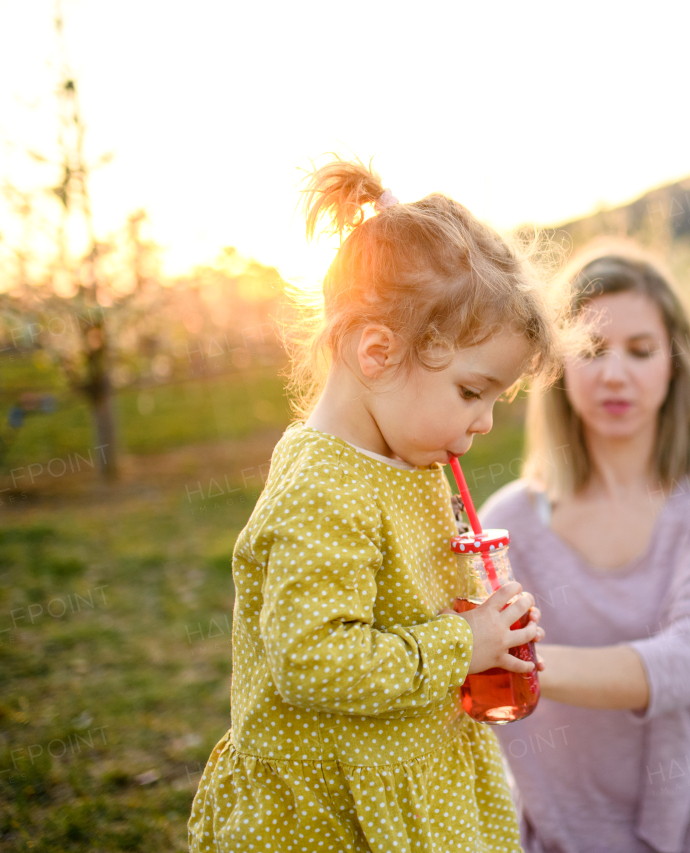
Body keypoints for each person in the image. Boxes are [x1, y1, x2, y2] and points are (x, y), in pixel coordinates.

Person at [187, 159, 560, 853]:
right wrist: (462, 643)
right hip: (334, 813)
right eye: (471, 392)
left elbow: (400, 600)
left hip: (414, 781)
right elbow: (312, 658)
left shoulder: (404, 454)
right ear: (380, 352)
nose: (482, 423)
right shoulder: (321, 489)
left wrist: (487, 622)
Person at [479, 240, 690, 853]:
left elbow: (683, 664)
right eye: (590, 350)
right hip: (560, 834)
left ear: (676, 363)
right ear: (557, 368)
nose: (614, 372)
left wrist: (508, 660)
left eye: (640, 351)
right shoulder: (509, 522)